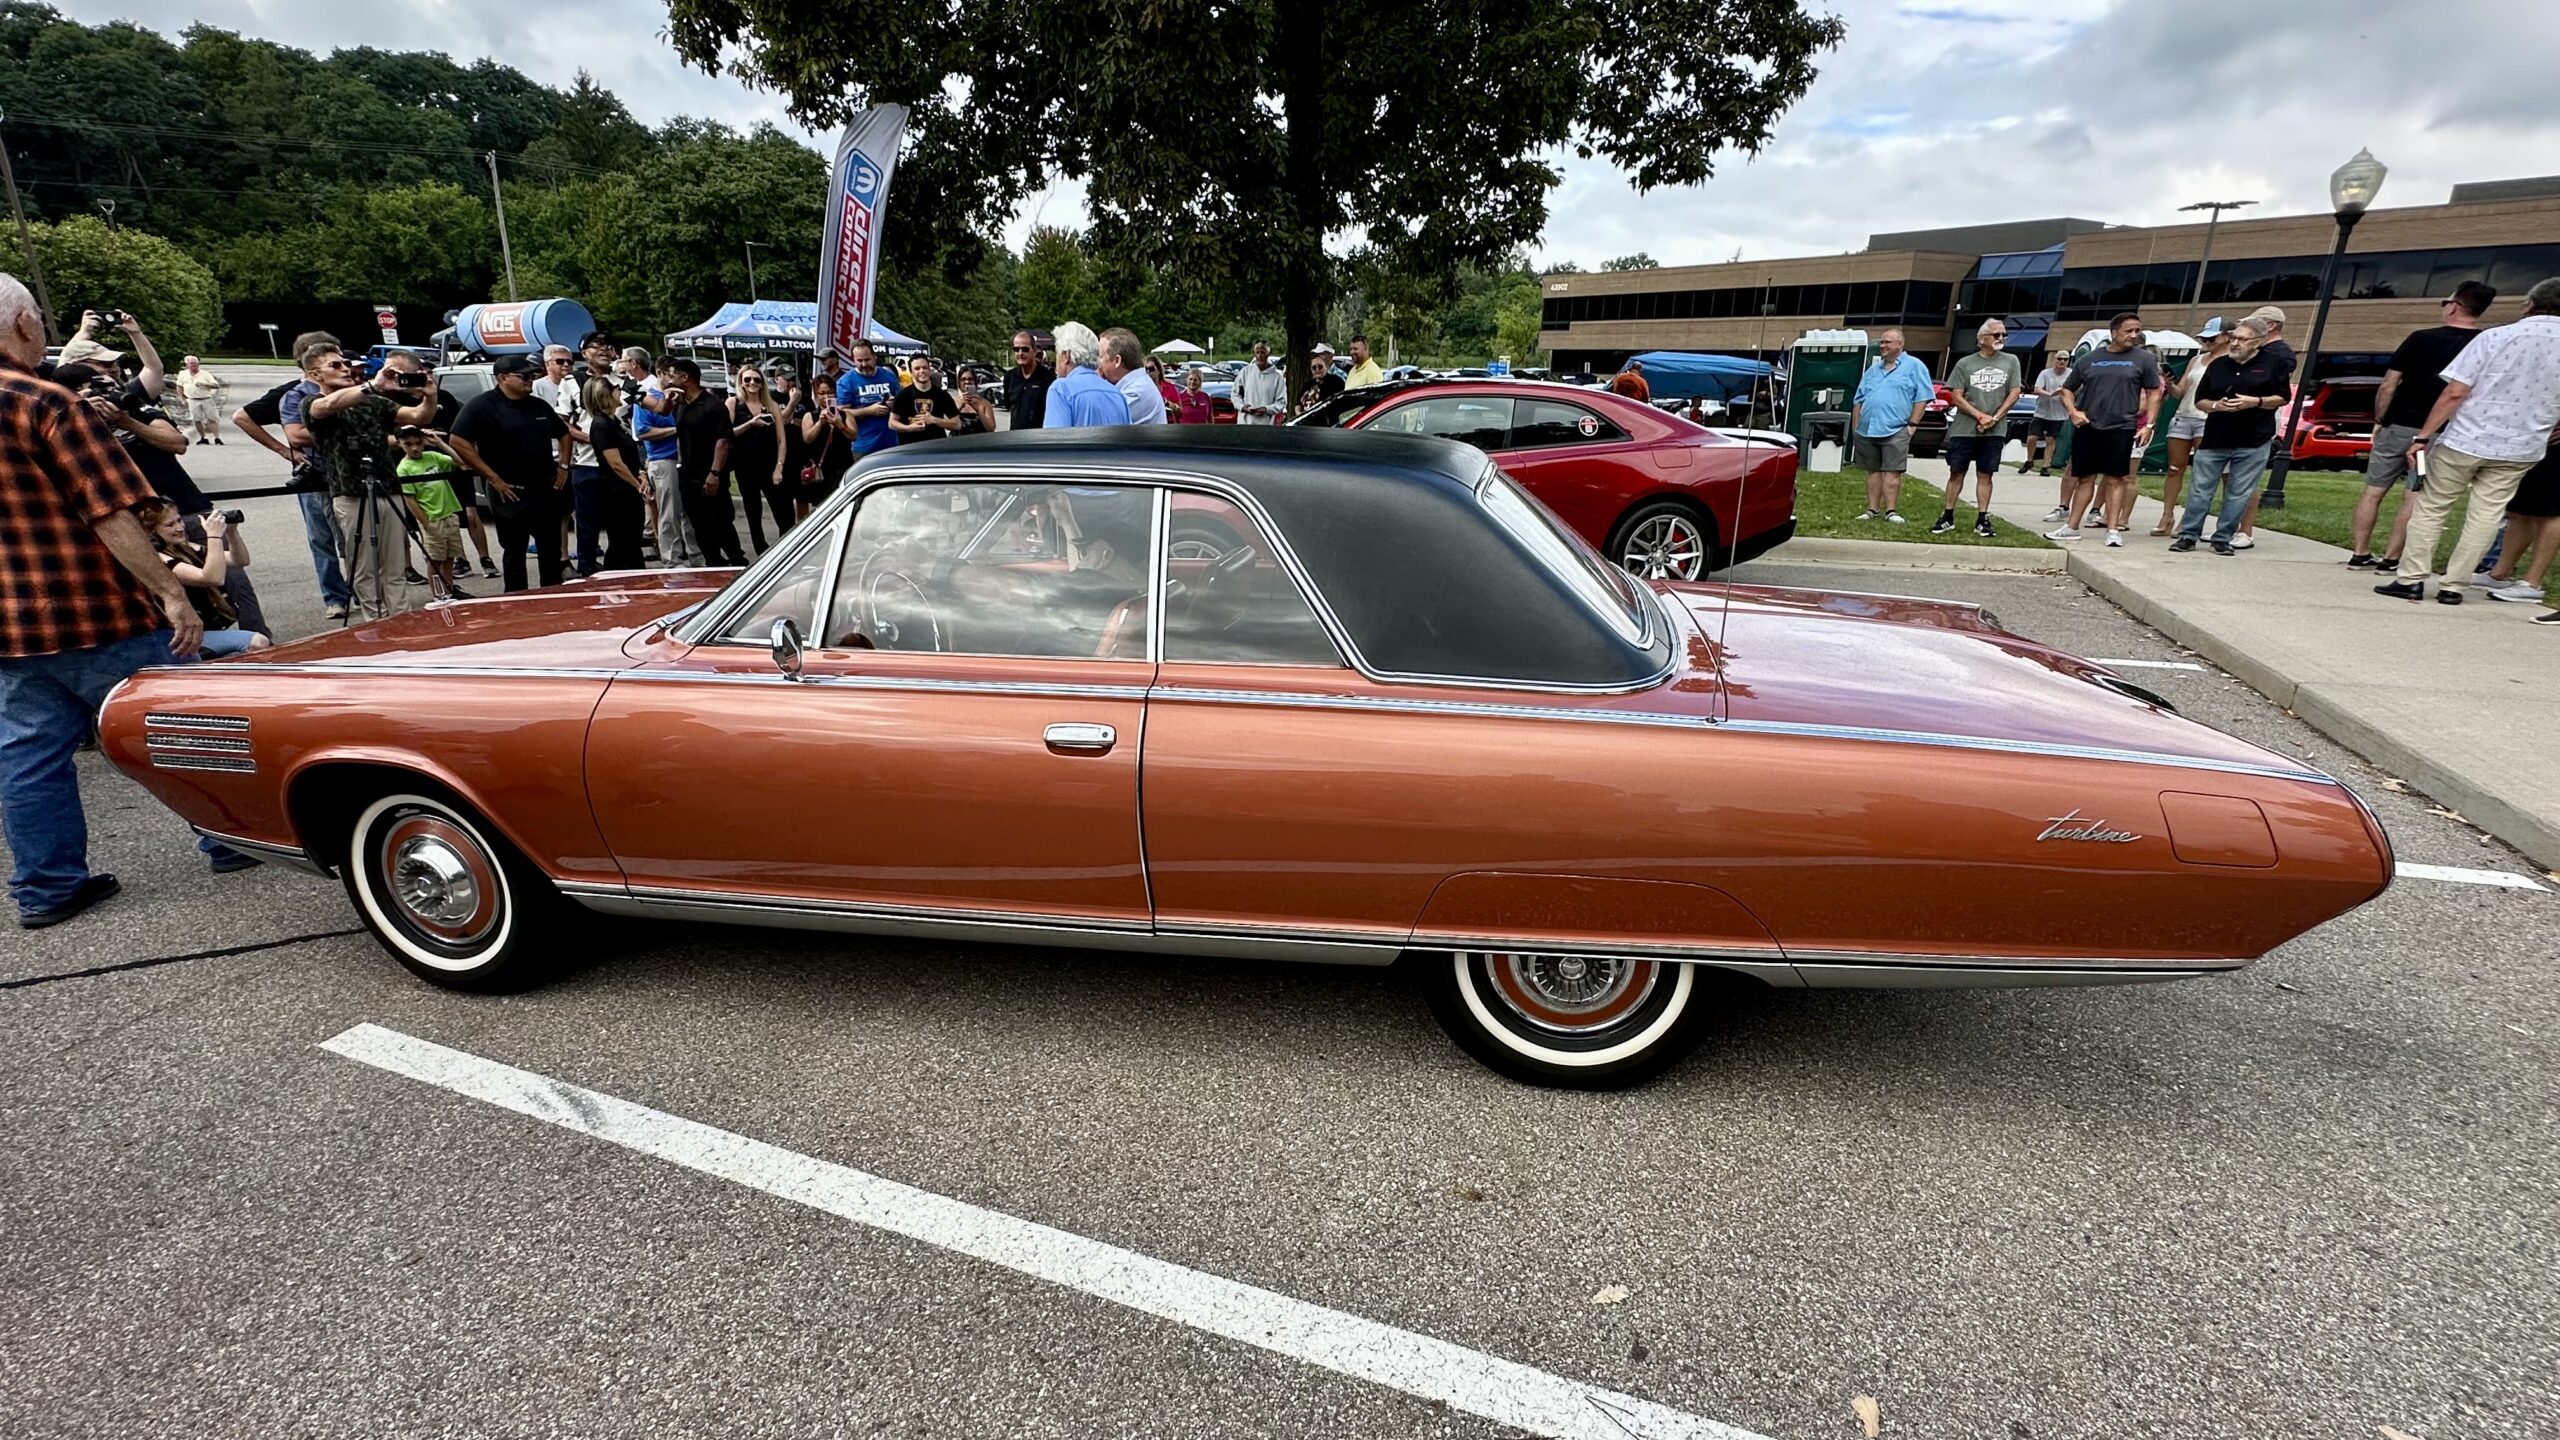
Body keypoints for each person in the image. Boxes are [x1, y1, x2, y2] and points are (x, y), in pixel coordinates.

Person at [0, 273, 261, 925]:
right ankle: (230, 838)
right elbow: (112, 513)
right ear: (23, 324)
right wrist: (172, 593)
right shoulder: (46, 402)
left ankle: (47, 887)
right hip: (97, 609)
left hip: (10, 628)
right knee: (181, 724)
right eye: (39, 323)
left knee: (28, 757)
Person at [2378, 277, 2560, 605]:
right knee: (2486, 514)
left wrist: (2423, 436)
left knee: (2432, 507)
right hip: (2522, 445)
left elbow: (2455, 391)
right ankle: (2454, 586)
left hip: (2466, 439)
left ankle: (2411, 578)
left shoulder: (2495, 336)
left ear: (2529, 305)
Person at [2347, 281, 2495, 569]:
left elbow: (2388, 384)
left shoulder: (2420, 338)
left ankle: (2360, 552)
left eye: (2446, 302)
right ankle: (2391, 558)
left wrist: (2380, 419)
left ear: (2455, 306)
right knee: (2414, 494)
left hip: (2397, 426)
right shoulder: (2484, 343)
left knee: (2374, 490)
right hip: (2437, 432)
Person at [304, 345, 439, 621]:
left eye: (345, 364)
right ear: (315, 374)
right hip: (352, 493)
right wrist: (372, 385)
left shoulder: (373, 402)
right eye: (335, 365)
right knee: (364, 567)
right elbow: (327, 406)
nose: (345, 369)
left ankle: (401, 619)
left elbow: (418, 417)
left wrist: (429, 395)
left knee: (394, 565)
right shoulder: (311, 402)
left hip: (387, 488)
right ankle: (376, 622)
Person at [233, 363, 359, 616]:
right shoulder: (292, 394)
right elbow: (241, 417)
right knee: (321, 539)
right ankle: (335, 598)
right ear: (311, 367)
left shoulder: (352, 389)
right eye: (333, 362)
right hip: (315, 475)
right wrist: (284, 450)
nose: (344, 368)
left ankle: (359, 590)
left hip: (349, 475)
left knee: (354, 537)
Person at [448, 354, 572, 592]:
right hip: (509, 491)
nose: (530, 380)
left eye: (532, 375)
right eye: (524, 376)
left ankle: (553, 598)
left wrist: (564, 466)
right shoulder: (482, 405)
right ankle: (517, 600)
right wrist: (492, 477)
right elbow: (458, 440)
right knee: (514, 552)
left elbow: (564, 433)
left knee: (550, 550)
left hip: (545, 489)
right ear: (503, 378)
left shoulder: (538, 405)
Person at [2167, 318, 2288, 555]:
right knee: (2200, 489)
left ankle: (2222, 538)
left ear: (2258, 342)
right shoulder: (2218, 365)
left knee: (2239, 492)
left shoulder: (2274, 364)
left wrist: (2255, 402)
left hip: (2254, 439)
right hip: (2215, 436)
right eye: (2233, 338)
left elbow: (2282, 397)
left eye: (2242, 339)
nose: (2235, 343)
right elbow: (2200, 400)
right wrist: (2216, 406)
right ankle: (2188, 535)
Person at [2047, 314, 2162, 544]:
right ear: (2114, 332)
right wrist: (2073, 411)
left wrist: (2149, 425)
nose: (2134, 335)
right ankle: (2071, 528)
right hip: (2089, 426)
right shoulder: (2090, 359)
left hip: (2122, 427)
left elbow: (2154, 393)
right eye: (2129, 330)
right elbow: (2067, 390)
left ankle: (2113, 531)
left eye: (2137, 330)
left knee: (2115, 479)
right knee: (2085, 478)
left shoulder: (2144, 360)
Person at [138, 500, 269, 656]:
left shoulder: (185, 548)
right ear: (151, 531)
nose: (179, 527)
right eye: (169, 525)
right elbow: (212, 578)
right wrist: (214, 536)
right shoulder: (158, 560)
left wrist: (231, 533)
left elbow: (239, 560)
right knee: (257, 642)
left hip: (199, 630)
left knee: (245, 647)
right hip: (175, 639)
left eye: (179, 520)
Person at [1935, 319, 2020, 538]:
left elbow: (2014, 393)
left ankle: (1982, 519)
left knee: (1985, 474)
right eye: (1996, 335)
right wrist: (1979, 415)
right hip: (1964, 429)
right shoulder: (1965, 363)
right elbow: (1956, 395)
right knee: (1957, 472)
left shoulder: (2011, 361)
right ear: (1982, 339)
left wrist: (1995, 417)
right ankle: (1947, 516)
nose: (2001, 338)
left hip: (1994, 430)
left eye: (2003, 334)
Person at [662, 358, 744, 567]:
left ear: (685, 377)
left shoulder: (712, 405)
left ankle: (737, 559)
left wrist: (714, 473)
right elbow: (677, 430)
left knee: (720, 521)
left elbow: (723, 441)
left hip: (710, 472)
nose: (669, 380)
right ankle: (713, 561)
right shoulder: (681, 405)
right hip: (688, 473)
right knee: (699, 523)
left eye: (673, 375)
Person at [2152, 319, 2230, 535]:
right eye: (2204, 338)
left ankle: (2189, 519)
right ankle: (2167, 515)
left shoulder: (2230, 361)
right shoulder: (2197, 360)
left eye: (2212, 338)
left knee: (2202, 473)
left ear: (2226, 337)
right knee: (2174, 469)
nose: (2207, 342)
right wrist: (2169, 382)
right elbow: (2180, 392)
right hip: (2184, 416)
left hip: (2208, 418)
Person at [1848, 327, 1933, 524]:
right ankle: (1872, 510)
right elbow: (1858, 400)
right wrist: (1856, 428)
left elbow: (1923, 397)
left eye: (1887, 342)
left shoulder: (1915, 366)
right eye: (1882, 342)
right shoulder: (1873, 370)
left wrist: (1912, 424)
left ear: (1900, 344)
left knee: (1893, 471)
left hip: (1896, 428)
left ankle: (1891, 511)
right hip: (1868, 429)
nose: (1882, 345)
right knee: (1873, 471)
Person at [571, 376, 651, 573]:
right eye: (615, 388)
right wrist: (637, 484)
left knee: (631, 539)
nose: (619, 391)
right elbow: (615, 463)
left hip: (627, 487)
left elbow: (629, 455)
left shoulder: (615, 420)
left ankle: (634, 572)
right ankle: (617, 574)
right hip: (616, 491)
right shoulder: (601, 424)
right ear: (604, 394)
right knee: (621, 541)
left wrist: (640, 474)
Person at [388, 425, 474, 602]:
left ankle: (449, 589)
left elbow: (460, 462)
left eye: (418, 443)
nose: (414, 448)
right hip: (432, 518)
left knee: (450, 556)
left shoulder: (432, 456)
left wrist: (440, 444)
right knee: (435, 560)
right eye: (408, 444)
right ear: (400, 444)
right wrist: (425, 523)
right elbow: (410, 500)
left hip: (449, 514)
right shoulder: (404, 468)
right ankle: (438, 594)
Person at [633, 362, 692, 566]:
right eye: (671, 375)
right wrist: (676, 430)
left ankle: (696, 555)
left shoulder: (683, 399)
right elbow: (643, 432)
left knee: (689, 512)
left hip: (686, 459)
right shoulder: (647, 399)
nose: (675, 380)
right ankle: (671, 559)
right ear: (660, 373)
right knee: (669, 512)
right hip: (662, 460)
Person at [726, 366, 791, 552]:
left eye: (756, 379)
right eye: (747, 380)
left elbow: (781, 441)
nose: (752, 383)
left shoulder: (772, 405)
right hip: (745, 467)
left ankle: (785, 549)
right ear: (741, 383)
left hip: (769, 466)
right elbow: (726, 434)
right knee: (753, 513)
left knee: (784, 513)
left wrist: (779, 467)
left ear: (762, 383)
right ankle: (761, 551)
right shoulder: (733, 403)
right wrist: (750, 423)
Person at [1044, 322, 1132, 427]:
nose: (1056, 360)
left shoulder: (1061, 390)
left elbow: (1054, 436)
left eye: (1057, 353)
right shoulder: (1117, 394)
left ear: (1067, 355)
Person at [832, 339, 903, 458]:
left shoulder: (889, 376)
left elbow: (902, 402)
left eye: (867, 359)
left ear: (874, 357)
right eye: (859, 361)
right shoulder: (845, 381)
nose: (864, 364)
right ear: (853, 360)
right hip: (863, 446)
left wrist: (894, 404)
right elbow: (842, 413)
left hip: (890, 443)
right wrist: (868, 410)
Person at [889, 355, 963, 444]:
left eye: (925, 367)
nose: (922, 371)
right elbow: (892, 423)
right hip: (910, 448)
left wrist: (934, 420)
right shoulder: (902, 395)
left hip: (936, 447)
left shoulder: (942, 395)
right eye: (917, 368)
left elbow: (957, 424)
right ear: (911, 372)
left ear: (929, 370)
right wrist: (909, 428)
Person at [1099, 328, 1165, 423]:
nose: (1097, 362)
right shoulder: (1138, 385)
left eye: (1100, 356)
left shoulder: (1136, 393)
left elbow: (1098, 420)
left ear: (1117, 361)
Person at [2028, 349, 2070, 480]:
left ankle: (2045, 466)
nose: (2062, 361)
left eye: (2065, 359)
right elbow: (2037, 389)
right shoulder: (2045, 373)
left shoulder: (2071, 374)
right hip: (2042, 411)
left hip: (2059, 414)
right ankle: (2029, 460)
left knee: (2051, 440)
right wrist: (2050, 394)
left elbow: (2076, 388)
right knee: (2032, 437)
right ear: (2054, 360)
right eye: (2059, 358)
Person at [1001, 330, 1054, 432]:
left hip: (1039, 436)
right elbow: (1008, 405)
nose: (1020, 353)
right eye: (1016, 349)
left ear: (1034, 350)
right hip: (1015, 436)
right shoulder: (1009, 377)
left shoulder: (1047, 378)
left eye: (1025, 349)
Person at [176, 356, 226, 444]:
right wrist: (182, 399)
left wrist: (205, 385)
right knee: (196, 419)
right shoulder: (182, 374)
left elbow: (216, 385)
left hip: (206, 399)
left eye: (196, 364)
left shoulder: (205, 374)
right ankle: (203, 437)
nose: (194, 366)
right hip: (192, 399)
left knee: (212, 419)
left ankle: (216, 438)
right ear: (187, 365)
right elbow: (179, 386)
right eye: (191, 364)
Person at [1235, 341, 1286, 424]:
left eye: (1262, 352)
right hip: (1245, 422)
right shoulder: (1245, 373)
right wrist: (1242, 407)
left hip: (1266, 424)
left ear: (1268, 354)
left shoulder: (1277, 377)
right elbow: (1235, 394)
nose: (1260, 355)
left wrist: (1267, 409)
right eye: (1257, 352)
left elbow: (1281, 402)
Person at [1299, 342, 1346, 412]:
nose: (1318, 357)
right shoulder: (1313, 380)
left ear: (1330, 356)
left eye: (1321, 354)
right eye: (1314, 368)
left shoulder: (1339, 376)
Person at [952, 368, 996, 436]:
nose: (967, 382)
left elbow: (991, 428)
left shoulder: (984, 403)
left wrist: (979, 410)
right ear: (959, 383)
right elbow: (948, 424)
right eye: (963, 379)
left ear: (975, 382)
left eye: (970, 379)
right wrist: (961, 406)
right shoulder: (953, 401)